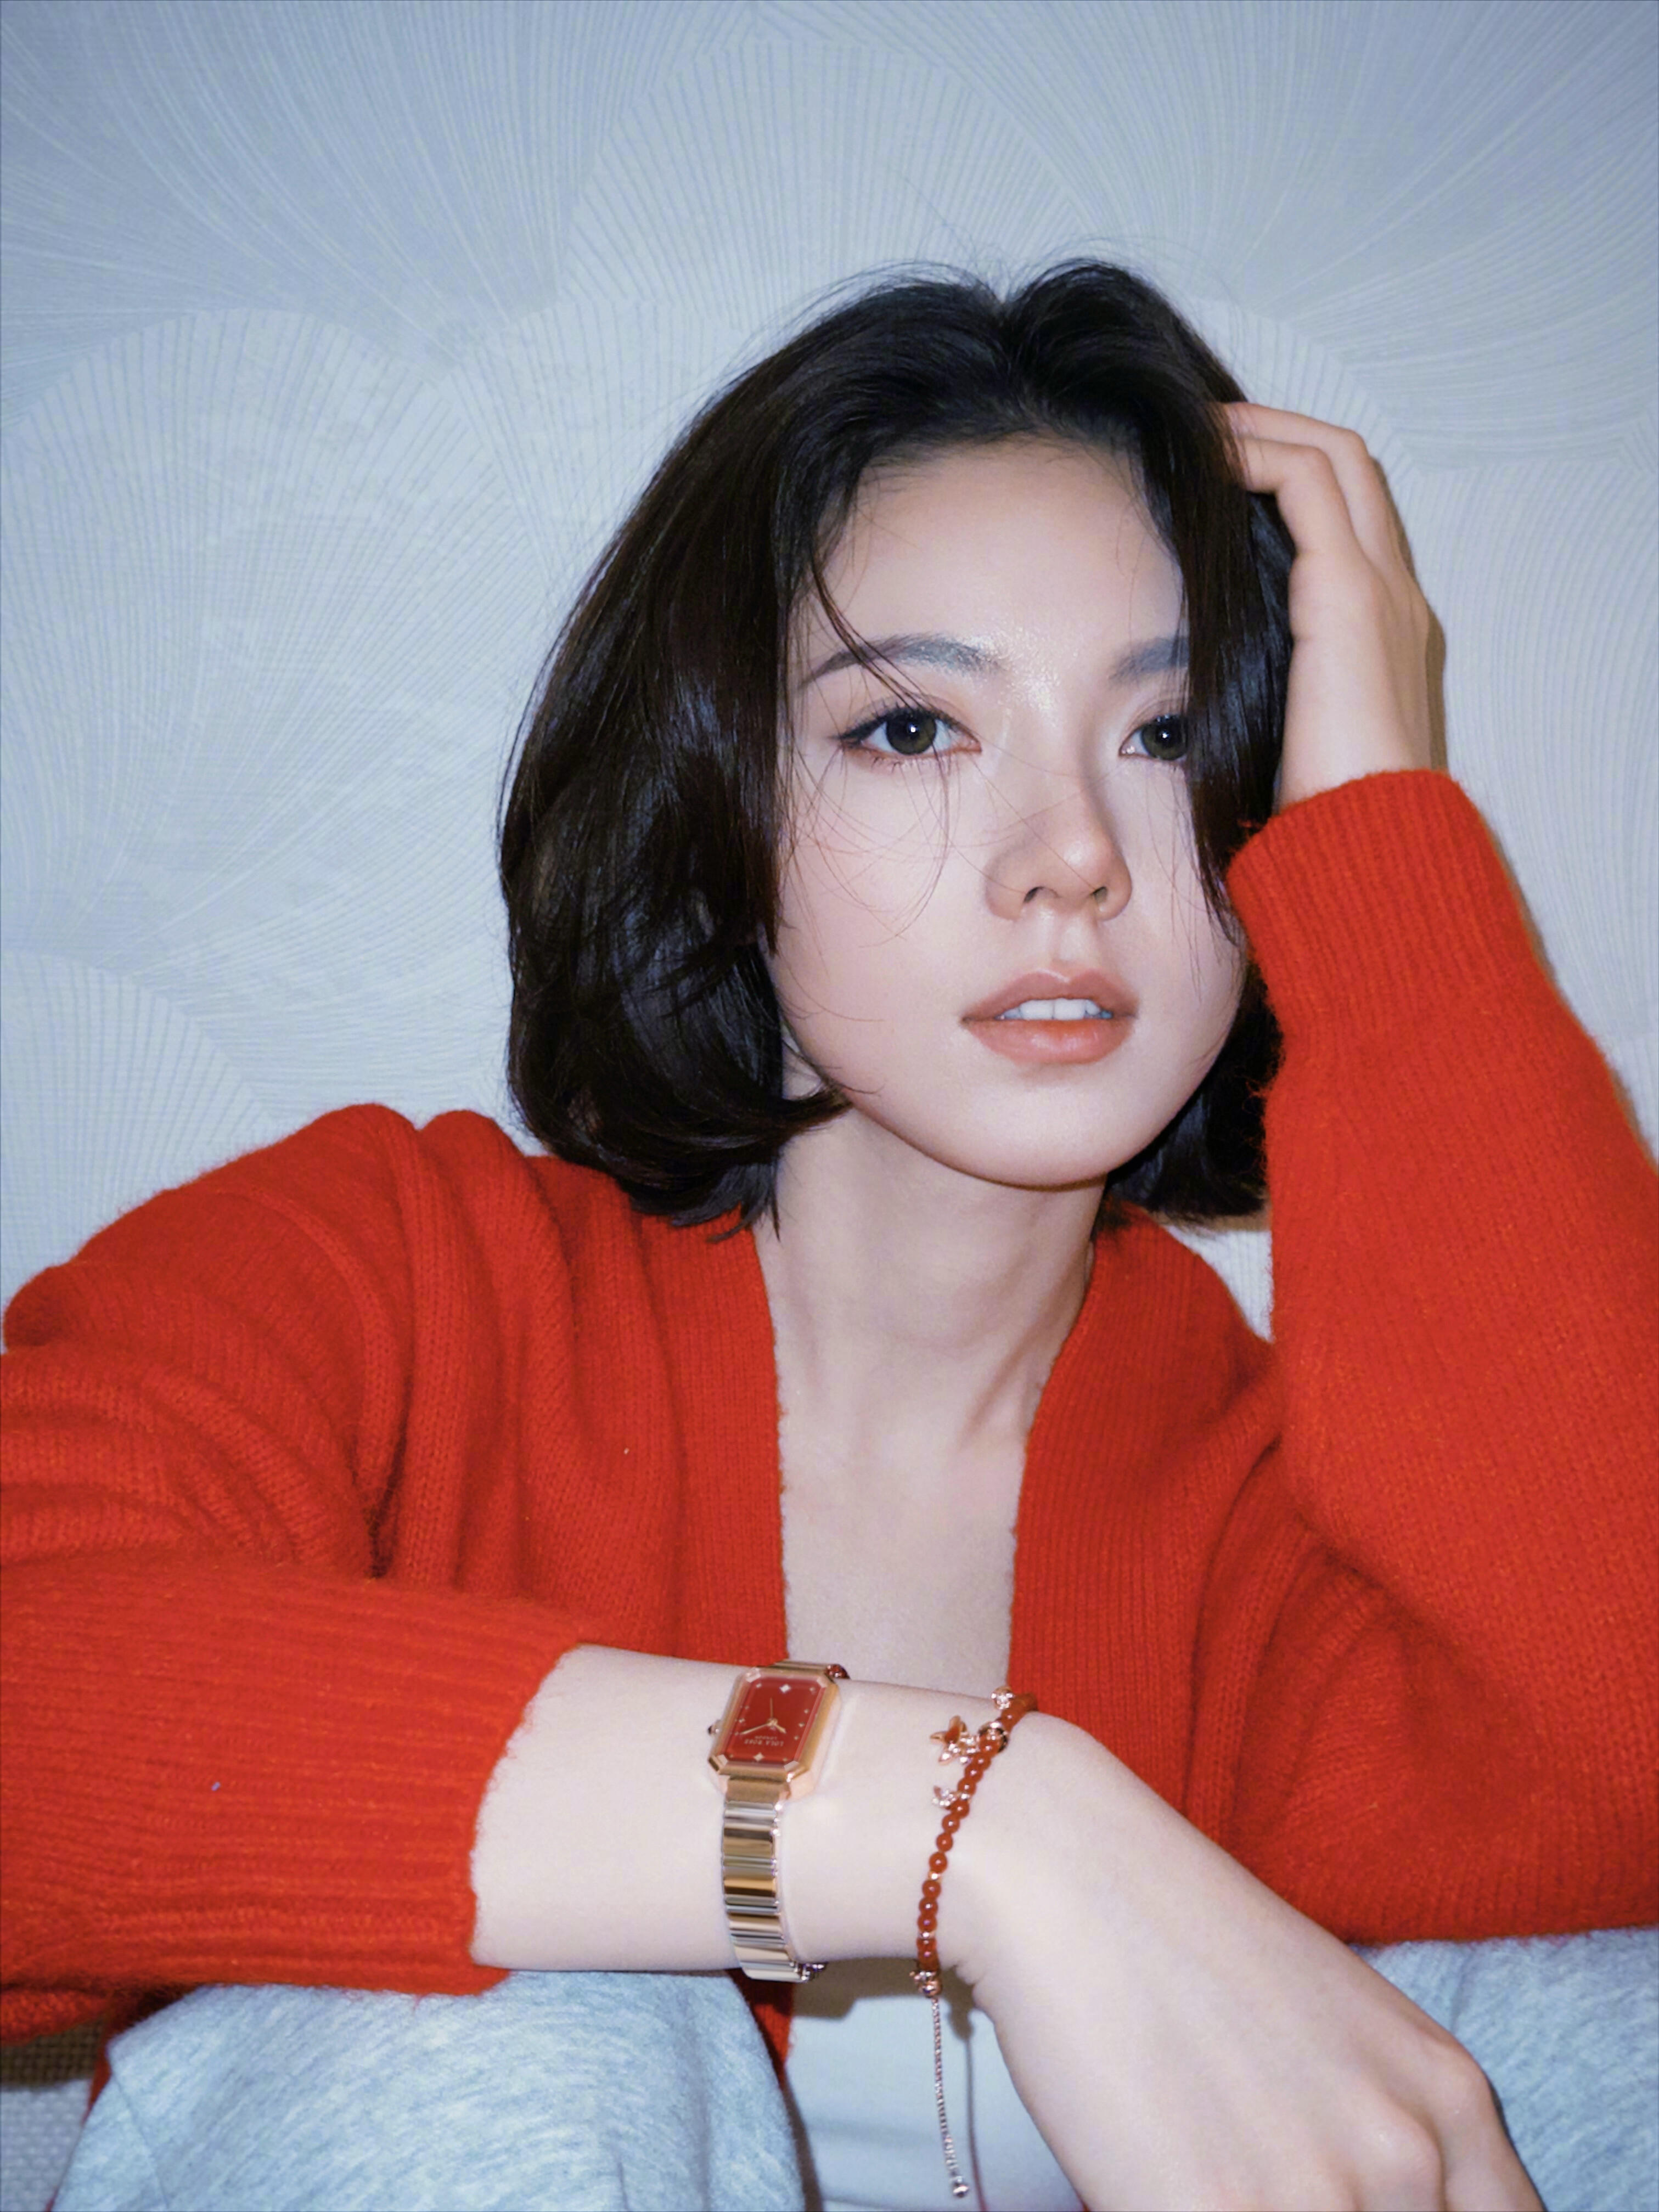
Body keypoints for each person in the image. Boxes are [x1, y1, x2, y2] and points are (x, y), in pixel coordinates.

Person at [2, 264, 1655, 2212]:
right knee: (509, 2022)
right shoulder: (396, 1278)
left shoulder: (1276, 1516)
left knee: (1581, 2025)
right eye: (912, 728)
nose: (1073, 858)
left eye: (1169, 732)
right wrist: (979, 1821)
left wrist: (1379, 814)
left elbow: (1620, 1759)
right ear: (719, 809)